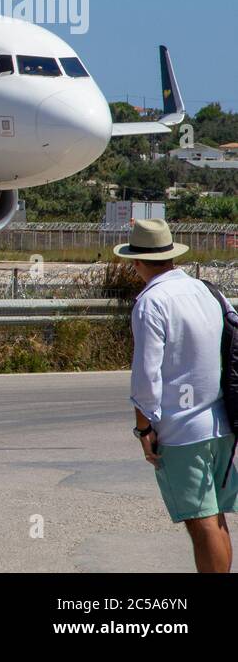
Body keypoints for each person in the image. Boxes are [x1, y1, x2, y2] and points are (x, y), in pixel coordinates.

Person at [117, 218, 236, 573]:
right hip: (222, 423)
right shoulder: (209, 291)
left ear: (136, 262)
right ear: (170, 256)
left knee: (200, 523)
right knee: (214, 520)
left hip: (183, 430)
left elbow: (146, 376)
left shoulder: (151, 302)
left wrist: (144, 428)